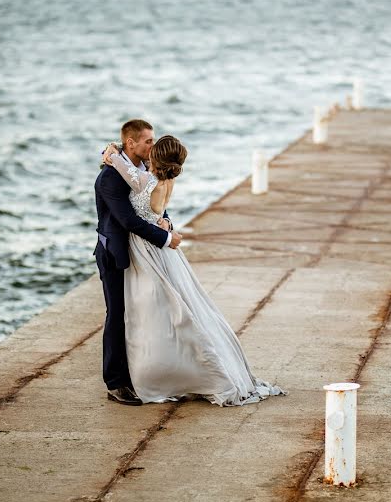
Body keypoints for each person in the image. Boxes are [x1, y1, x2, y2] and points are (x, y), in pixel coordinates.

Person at [100, 134, 285, 406]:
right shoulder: (166, 181)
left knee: (156, 308)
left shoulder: (146, 181)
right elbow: (159, 214)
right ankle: (165, 367)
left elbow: (131, 207)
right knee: (174, 306)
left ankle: (160, 370)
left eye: (153, 145)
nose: (149, 149)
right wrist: (166, 226)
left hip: (146, 249)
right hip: (162, 249)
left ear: (155, 157)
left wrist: (112, 154)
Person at [94, 119, 182, 406]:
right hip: (116, 254)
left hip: (142, 252)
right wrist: (166, 239)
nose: (152, 146)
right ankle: (115, 382)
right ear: (130, 143)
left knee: (144, 313)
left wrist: (165, 220)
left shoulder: (144, 169)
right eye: (147, 141)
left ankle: (141, 373)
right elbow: (127, 219)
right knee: (118, 315)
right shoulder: (109, 178)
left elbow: (153, 202)